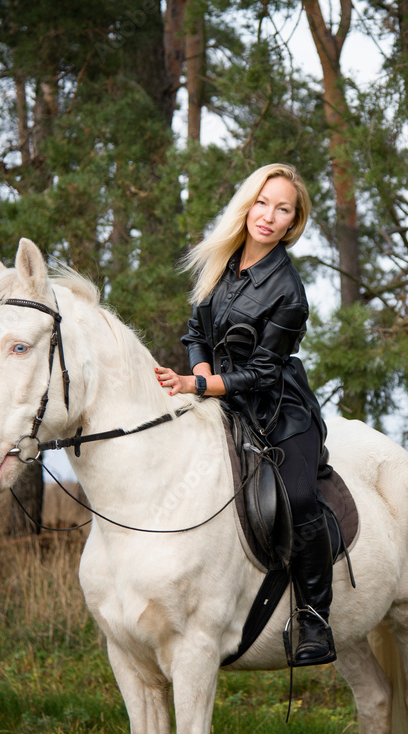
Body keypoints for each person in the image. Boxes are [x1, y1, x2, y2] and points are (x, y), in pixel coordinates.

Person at [154, 163, 336, 667]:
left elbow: (261, 373)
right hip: (216, 396)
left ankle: (315, 619)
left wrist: (197, 385)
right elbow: (196, 332)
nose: (269, 216)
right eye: (262, 202)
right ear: (247, 204)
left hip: (277, 410)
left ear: (294, 221)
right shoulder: (222, 261)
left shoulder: (289, 291)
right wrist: (202, 377)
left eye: (283, 209)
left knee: (300, 497)